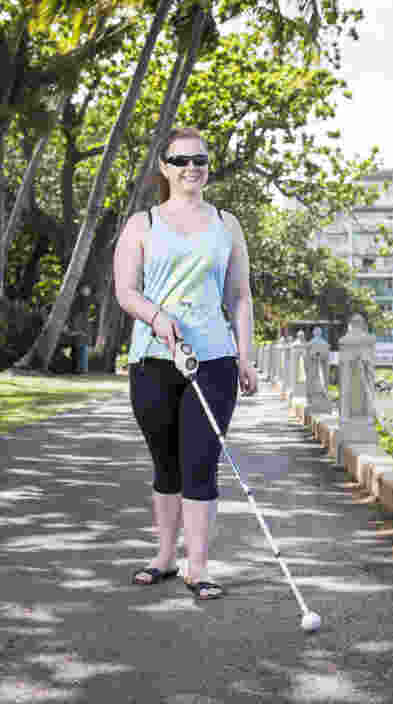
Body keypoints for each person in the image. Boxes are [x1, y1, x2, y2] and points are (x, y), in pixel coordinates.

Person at [114, 126, 257, 600]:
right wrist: (157, 317)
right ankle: (164, 557)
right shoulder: (143, 225)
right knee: (166, 463)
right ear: (164, 167)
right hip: (154, 358)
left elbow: (239, 296)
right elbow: (125, 291)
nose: (192, 168)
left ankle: (198, 567)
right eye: (181, 161)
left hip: (213, 359)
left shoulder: (226, 224)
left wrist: (246, 358)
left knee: (202, 462)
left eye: (200, 160)